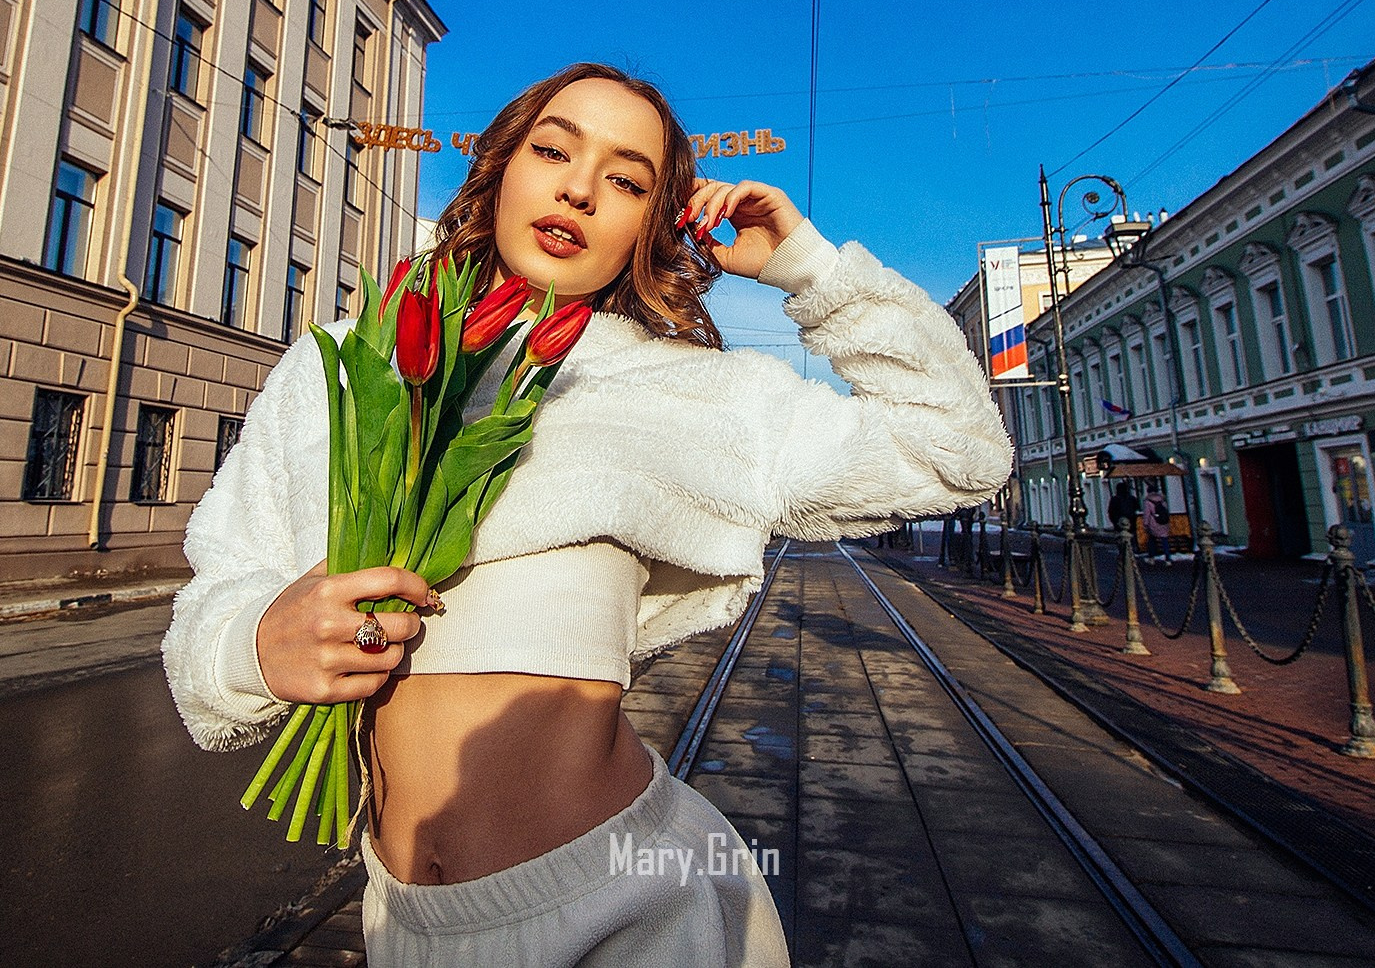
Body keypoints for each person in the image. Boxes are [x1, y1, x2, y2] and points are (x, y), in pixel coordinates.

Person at [160, 63, 1013, 967]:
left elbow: (958, 450)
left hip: (626, 904)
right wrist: (255, 640)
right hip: (404, 921)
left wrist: (806, 267)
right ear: (498, 171)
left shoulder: (683, 391)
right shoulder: (339, 363)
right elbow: (219, 589)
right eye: (555, 148)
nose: (578, 186)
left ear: (653, 223)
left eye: (627, 178)